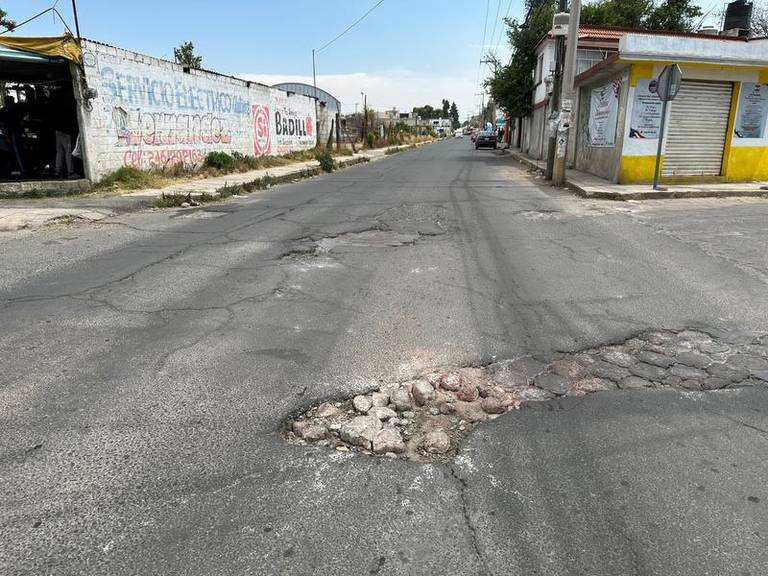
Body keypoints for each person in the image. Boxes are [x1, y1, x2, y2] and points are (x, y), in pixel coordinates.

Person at [53, 90, 79, 179]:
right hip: (66, 131)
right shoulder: (68, 105)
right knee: (69, 152)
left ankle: (58, 171)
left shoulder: (56, 104)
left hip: (58, 131)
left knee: (59, 152)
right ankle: (70, 172)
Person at [0, 95, 26, 177]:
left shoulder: (4, 111)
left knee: (16, 152)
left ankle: (20, 169)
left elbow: (2, 125)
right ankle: (22, 170)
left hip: (12, 134)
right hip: (13, 133)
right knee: (17, 152)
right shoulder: (13, 110)